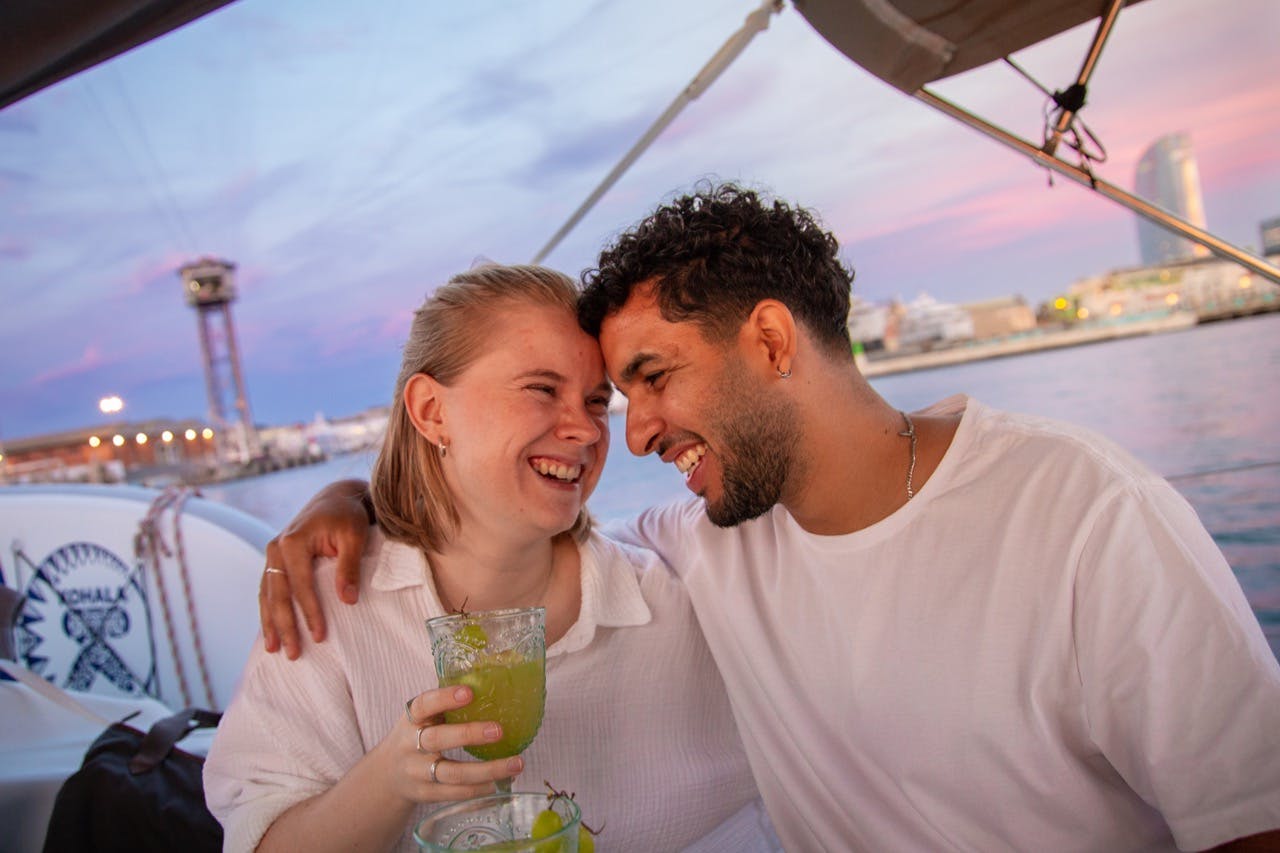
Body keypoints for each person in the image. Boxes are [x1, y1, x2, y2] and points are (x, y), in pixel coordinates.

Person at [260, 184, 1280, 851]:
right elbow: (484, 528)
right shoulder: (705, 546)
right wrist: (342, 500)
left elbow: (1249, 821)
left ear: (770, 340)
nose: (636, 431)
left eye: (646, 381)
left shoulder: (1082, 515)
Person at [204, 264, 776, 852]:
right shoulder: (332, 607)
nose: (584, 428)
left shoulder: (678, 587)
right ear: (431, 411)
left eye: (597, 400)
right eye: (541, 389)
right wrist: (391, 778)